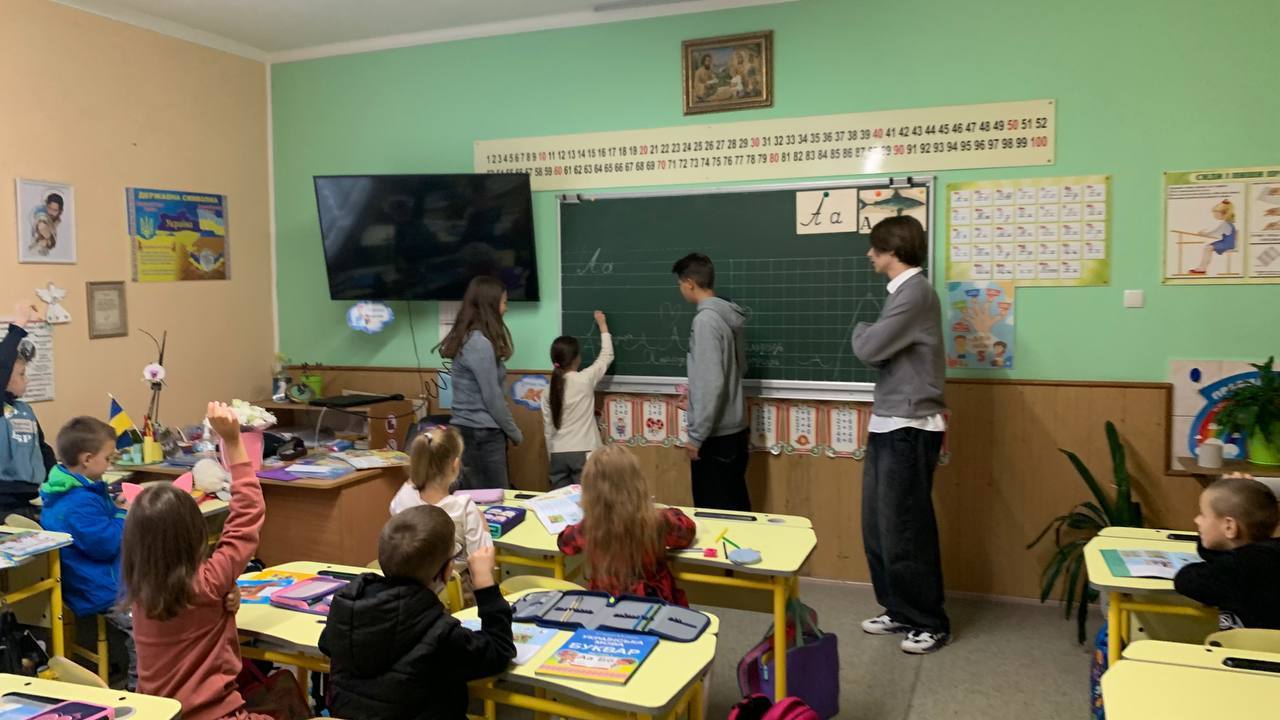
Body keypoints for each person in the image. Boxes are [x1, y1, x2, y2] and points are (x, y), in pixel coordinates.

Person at [123, 402, 268, 720]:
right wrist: (233, 441)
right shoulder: (210, 581)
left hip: (159, 715)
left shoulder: (140, 589)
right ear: (194, 533)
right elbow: (247, 513)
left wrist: (225, 597)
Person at [851, 215, 951, 654]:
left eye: (875, 247)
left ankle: (929, 621)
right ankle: (898, 609)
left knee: (905, 529)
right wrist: (873, 340)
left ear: (892, 250)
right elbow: (879, 351)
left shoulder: (914, 293)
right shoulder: (902, 293)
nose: (870, 254)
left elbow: (869, 348)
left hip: (910, 425)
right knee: (879, 528)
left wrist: (861, 332)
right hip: (890, 420)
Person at [320, 505, 516, 720]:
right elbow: (500, 651)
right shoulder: (441, 633)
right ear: (446, 571)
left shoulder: (348, 608)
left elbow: (326, 643)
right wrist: (485, 585)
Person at [39, 418, 135, 688]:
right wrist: (124, 514)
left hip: (98, 577)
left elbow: (99, 525)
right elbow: (107, 544)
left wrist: (115, 507)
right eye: (109, 457)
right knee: (146, 626)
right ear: (87, 459)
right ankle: (139, 688)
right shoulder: (78, 501)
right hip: (98, 586)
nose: (111, 463)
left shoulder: (75, 488)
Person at [557, 445, 696, 605]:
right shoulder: (657, 521)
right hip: (654, 605)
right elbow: (687, 532)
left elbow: (564, 544)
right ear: (637, 482)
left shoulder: (589, 528)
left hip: (606, 606)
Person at [671, 253, 749, 511]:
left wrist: (696, 437)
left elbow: (711, 382)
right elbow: (737, 369)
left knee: (714, 514)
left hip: (715, 437)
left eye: (680, 284)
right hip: (735, 431)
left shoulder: (705, 321)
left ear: (690, 283)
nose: (681, 289)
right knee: (736, 508)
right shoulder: (728, 316)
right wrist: (695, 402)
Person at [435, 276, 522, 489]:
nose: (506, 308)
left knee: (475, 496)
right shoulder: (479, 343)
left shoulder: (470, 339)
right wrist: (514, 432)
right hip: (481, 434)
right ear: (490, 305)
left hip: (470, 431)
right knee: (494, 498)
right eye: (504, 302)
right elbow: (492, 397)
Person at [390, 425, 493, 602]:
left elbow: (395, 509)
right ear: (455, 465)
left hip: (409, 587)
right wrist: (484, 529)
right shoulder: (463, 507)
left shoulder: (403, 495)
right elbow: (482, 559)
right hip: (453, 593)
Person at [1174, 473, 1280, 630]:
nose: (1197, 520)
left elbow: (1186, 581)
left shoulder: (1238, 568)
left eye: (1203, 514)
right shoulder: (1267, 554)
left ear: (1229, 526)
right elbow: (1219, 557)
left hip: (1246, 646)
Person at [542, 311, 614, 488]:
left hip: (558, 453)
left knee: (560, 500)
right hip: (584, 451)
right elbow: (607, 356)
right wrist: (603, 325)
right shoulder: (584, 380)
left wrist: (552, 455)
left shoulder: (547, 391)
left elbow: (548, 429)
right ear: (577, 359)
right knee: (588, 499)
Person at [0, 304, 55, 519]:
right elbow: (3, 363)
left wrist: (56, 478)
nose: (27, 380)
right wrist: (18, 327)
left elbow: (41, 448)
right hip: (5, 502)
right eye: (21, 374)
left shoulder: (25, 409)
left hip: (32, 497)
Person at [1188, 199, 1237, 274]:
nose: (1215, 215)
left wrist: (1204, 233)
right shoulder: (1226, 223)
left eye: (1216, 213)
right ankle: (1201, 268)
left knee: (1208, 248)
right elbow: (1215, 231)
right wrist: (1205, 232)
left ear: (1224, 214)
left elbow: (1214, 232)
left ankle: (1202, 268)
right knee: (1207, 247)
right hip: (1225, 241)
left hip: (1228, 244)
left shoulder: (1225, 224)